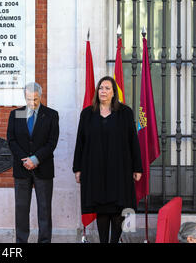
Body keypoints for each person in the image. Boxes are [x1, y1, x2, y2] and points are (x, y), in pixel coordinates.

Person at [72, 76, 143, 243]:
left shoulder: (125, 113)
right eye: (101, 88)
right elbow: (80, 142)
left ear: (114, 92)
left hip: (120, 168)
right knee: (101, 209)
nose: (103, 91)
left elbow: (133, 141)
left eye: (107, 88)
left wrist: (137, 168)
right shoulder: (88, 114)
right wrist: (77, 168)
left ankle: (114, 241)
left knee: (119, 207)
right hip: (94, 169)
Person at [7, 82, 59, 243]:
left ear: (40, 96)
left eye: (35, 99)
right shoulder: (16, 114)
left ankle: (44, 241)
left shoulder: (51, 114)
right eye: (29, 99)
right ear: (25, 97)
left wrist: (35, 159)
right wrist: (25, 160)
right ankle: (21, 242)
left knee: (44, 209)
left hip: (43, 168)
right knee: (21, 210)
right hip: (22, 169)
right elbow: (11, 140)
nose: (32, 103)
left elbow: (52, 142)